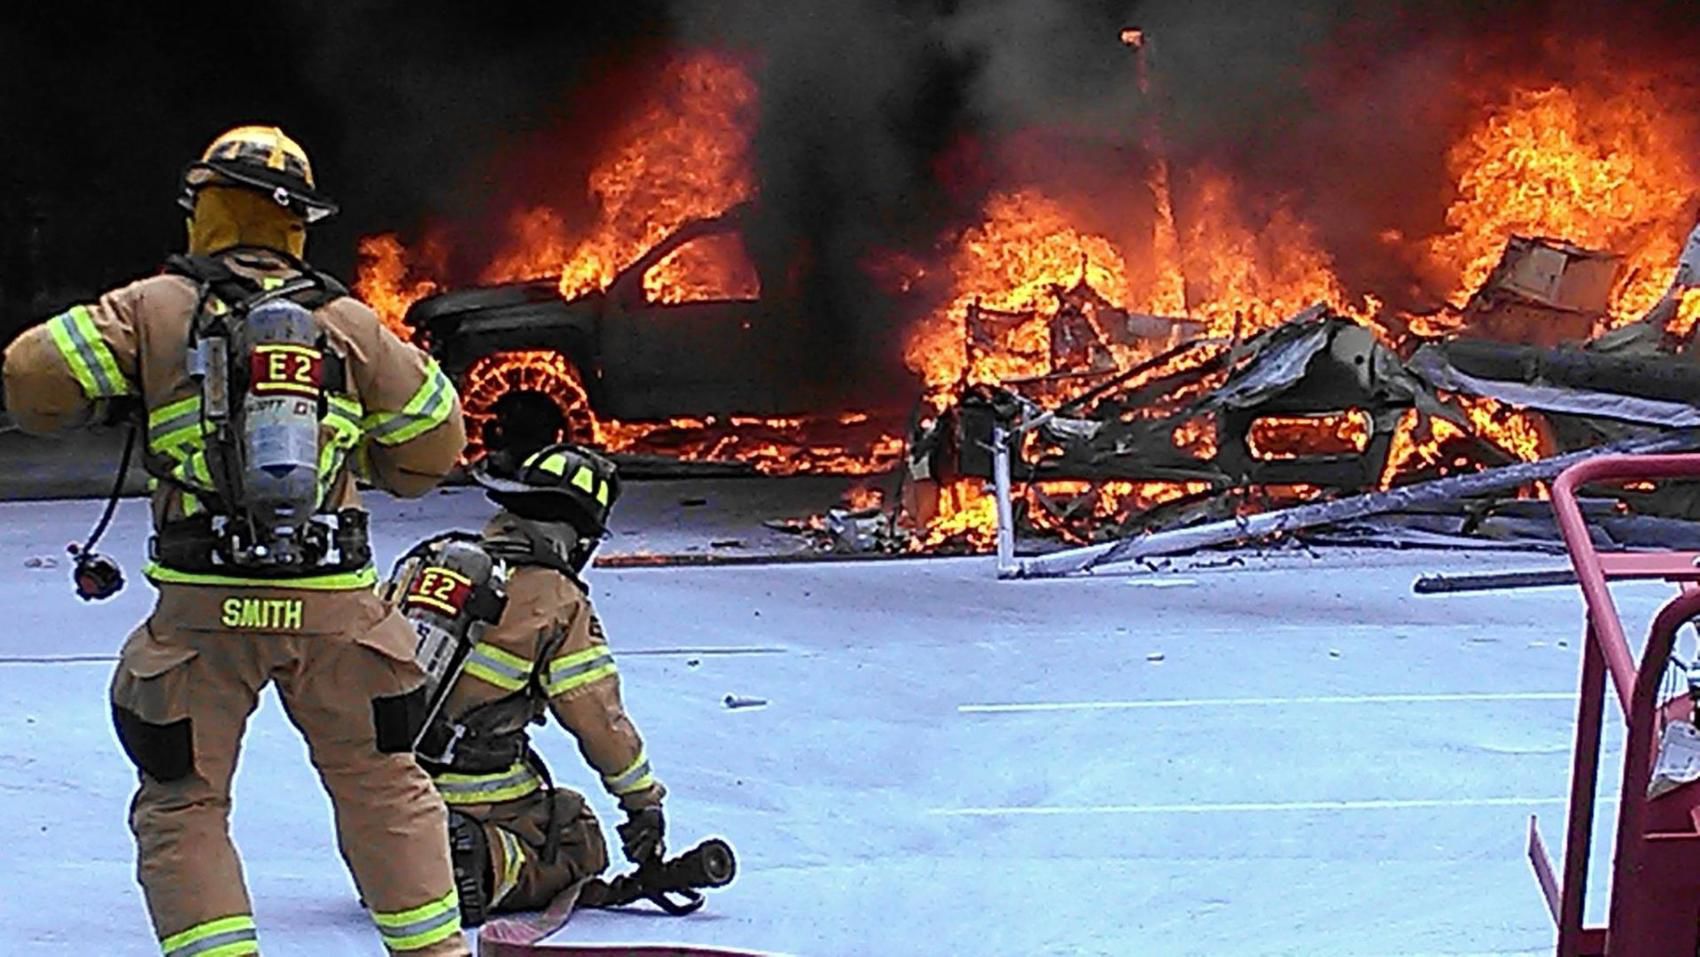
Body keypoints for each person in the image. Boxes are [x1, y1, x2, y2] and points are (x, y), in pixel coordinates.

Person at [2, 125, 472, 956]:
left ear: (205, 207)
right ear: (297, 221)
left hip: (202, 613)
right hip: (336, 611)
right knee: (385, 786)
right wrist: (359, 449)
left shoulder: (153, 307)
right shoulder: (348, 322)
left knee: (182, 802)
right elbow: (436, 448)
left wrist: (123, 389)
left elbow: (30, 377)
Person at [385, 442, 666, 925]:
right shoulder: (556, 598)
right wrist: (642, 802)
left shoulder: (426, 561)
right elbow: (599, 719)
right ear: (577, 537)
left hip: (385, 791)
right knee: (578, 835)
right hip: (477, 794)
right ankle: (483, 861)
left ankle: (402, 860)